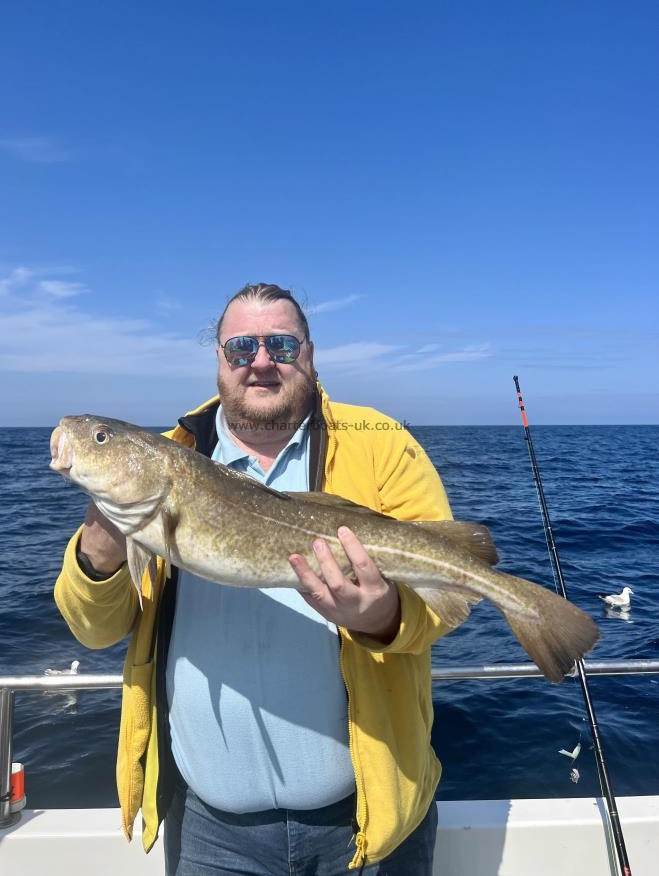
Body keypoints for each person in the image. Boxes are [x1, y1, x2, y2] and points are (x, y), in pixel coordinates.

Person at [54, 283, 454, 875]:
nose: (261, 362)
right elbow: (93, 632)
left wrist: (384, 617)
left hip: (369, 822)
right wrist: (100, 554)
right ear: (218, 359)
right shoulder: (168, 460)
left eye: (281, 346)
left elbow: (444, 599)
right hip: (212, 834)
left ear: (310, 355)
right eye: (240, 348)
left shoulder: (382, 444)